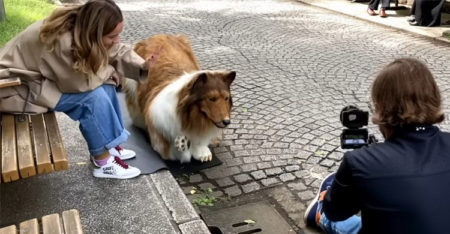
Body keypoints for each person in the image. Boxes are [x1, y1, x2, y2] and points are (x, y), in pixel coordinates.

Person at [0, 0, 156, 179]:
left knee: (105, 85)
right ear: (95, 32)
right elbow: (77, 85)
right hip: (14, 89)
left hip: (36, 82)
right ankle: (103, 163)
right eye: (112, 36)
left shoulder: (82, 25)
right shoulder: (61, 40)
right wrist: (108, 70)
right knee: (91, 98)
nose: (117, 40)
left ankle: (109, 144)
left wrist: (143, 65)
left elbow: (116, 49)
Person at [304, 58, 450, 233]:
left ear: (380, 106)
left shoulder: (360, 161)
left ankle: (318, 212)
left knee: (344, 221)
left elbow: (336, 212)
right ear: (434, 98)